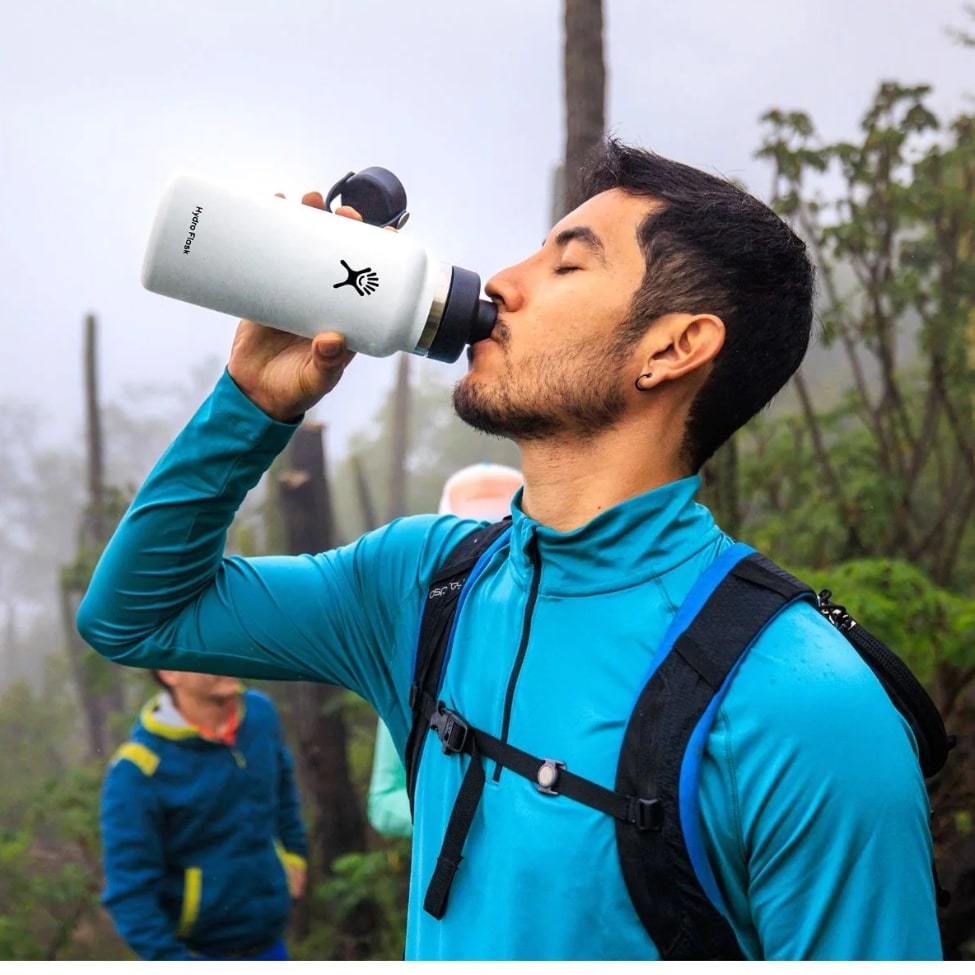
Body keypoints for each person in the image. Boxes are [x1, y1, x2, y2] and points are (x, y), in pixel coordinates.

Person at [78, 139, 942, 960]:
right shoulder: (424, 583)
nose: (500, 283)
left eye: (567, 262)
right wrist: (250, 403)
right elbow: (141, 618)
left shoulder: (805, 706)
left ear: (673, 347)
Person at [99, 670, 308, 960]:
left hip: (271, 943)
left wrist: (294, 853)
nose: (223, 657)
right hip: (201, 953)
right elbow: (129, 893)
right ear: (169, 672)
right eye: (204, 651)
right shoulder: (137, 770)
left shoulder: (259, 714)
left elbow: (283, 789)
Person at [366, 462, 524, 839]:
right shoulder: (421, 660)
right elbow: (383, 800)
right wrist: (471, 817)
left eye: (503, 539)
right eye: (474, 544)